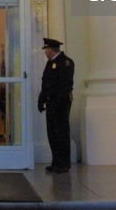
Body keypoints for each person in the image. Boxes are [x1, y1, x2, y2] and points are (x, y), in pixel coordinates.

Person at [38, 37, 74, 173]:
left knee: (61, 132)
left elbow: (65, 85)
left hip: (60, 103)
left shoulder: (65, 63)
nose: (45, 52)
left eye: (46, 49)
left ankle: (64, 164)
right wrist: (41, 100)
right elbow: (46, 84)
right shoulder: (50, 63)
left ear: (50, 50)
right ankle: (56, 162)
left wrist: (58, 102)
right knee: (52, 132)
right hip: (51, 102)